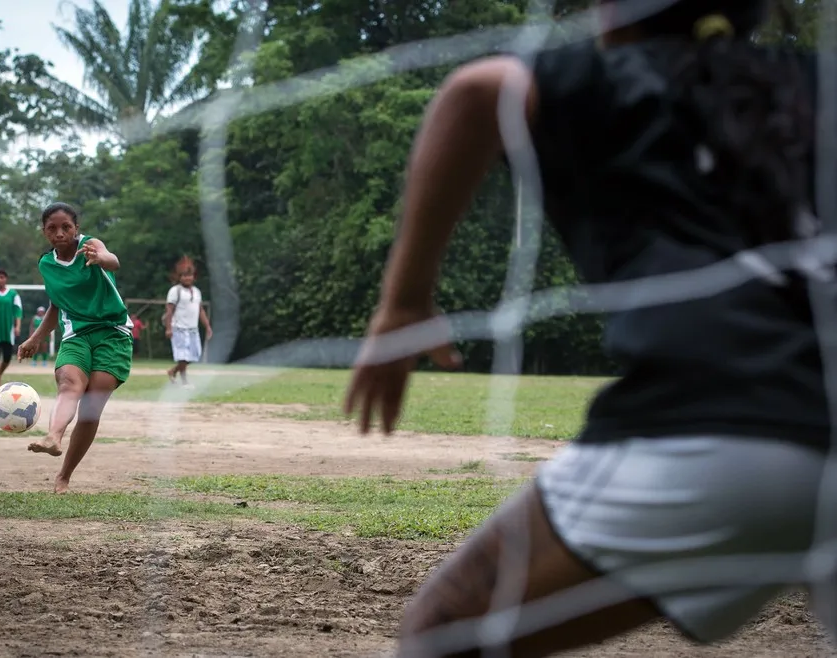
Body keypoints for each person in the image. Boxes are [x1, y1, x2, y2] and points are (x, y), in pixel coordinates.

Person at [344, 1, 832, 656]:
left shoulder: (621, 78)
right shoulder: (814, 83)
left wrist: (403, 304)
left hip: (720, 426)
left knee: (444, 630)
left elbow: (478, 91)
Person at [18, 202, 133, 494]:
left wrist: (100, 257)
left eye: (66, 227)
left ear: (76, 228)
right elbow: (57, 304)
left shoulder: (89, 246)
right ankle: (53, 437)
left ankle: (64, 476)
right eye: (52, 228)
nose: (59, 233)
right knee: (69, 383)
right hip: (76, 335)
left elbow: (113, 261)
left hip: (113, 333)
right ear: (44, 232)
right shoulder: (46, 264)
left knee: (91, 407)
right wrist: (36, 338)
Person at [164, 256, 212, 386]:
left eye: (189, 275)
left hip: (193, 329)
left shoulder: (197, 292)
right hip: (179, 328)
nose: (187, 278)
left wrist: (207, 326)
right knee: (183, 357)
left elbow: (200, 310)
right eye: (184, 276)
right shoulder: (175, 291)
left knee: (194, 355)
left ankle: (173, 371)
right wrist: (168, 328)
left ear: (194, 277)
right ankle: (184, 381)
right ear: (179, 277)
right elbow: (169, 311)